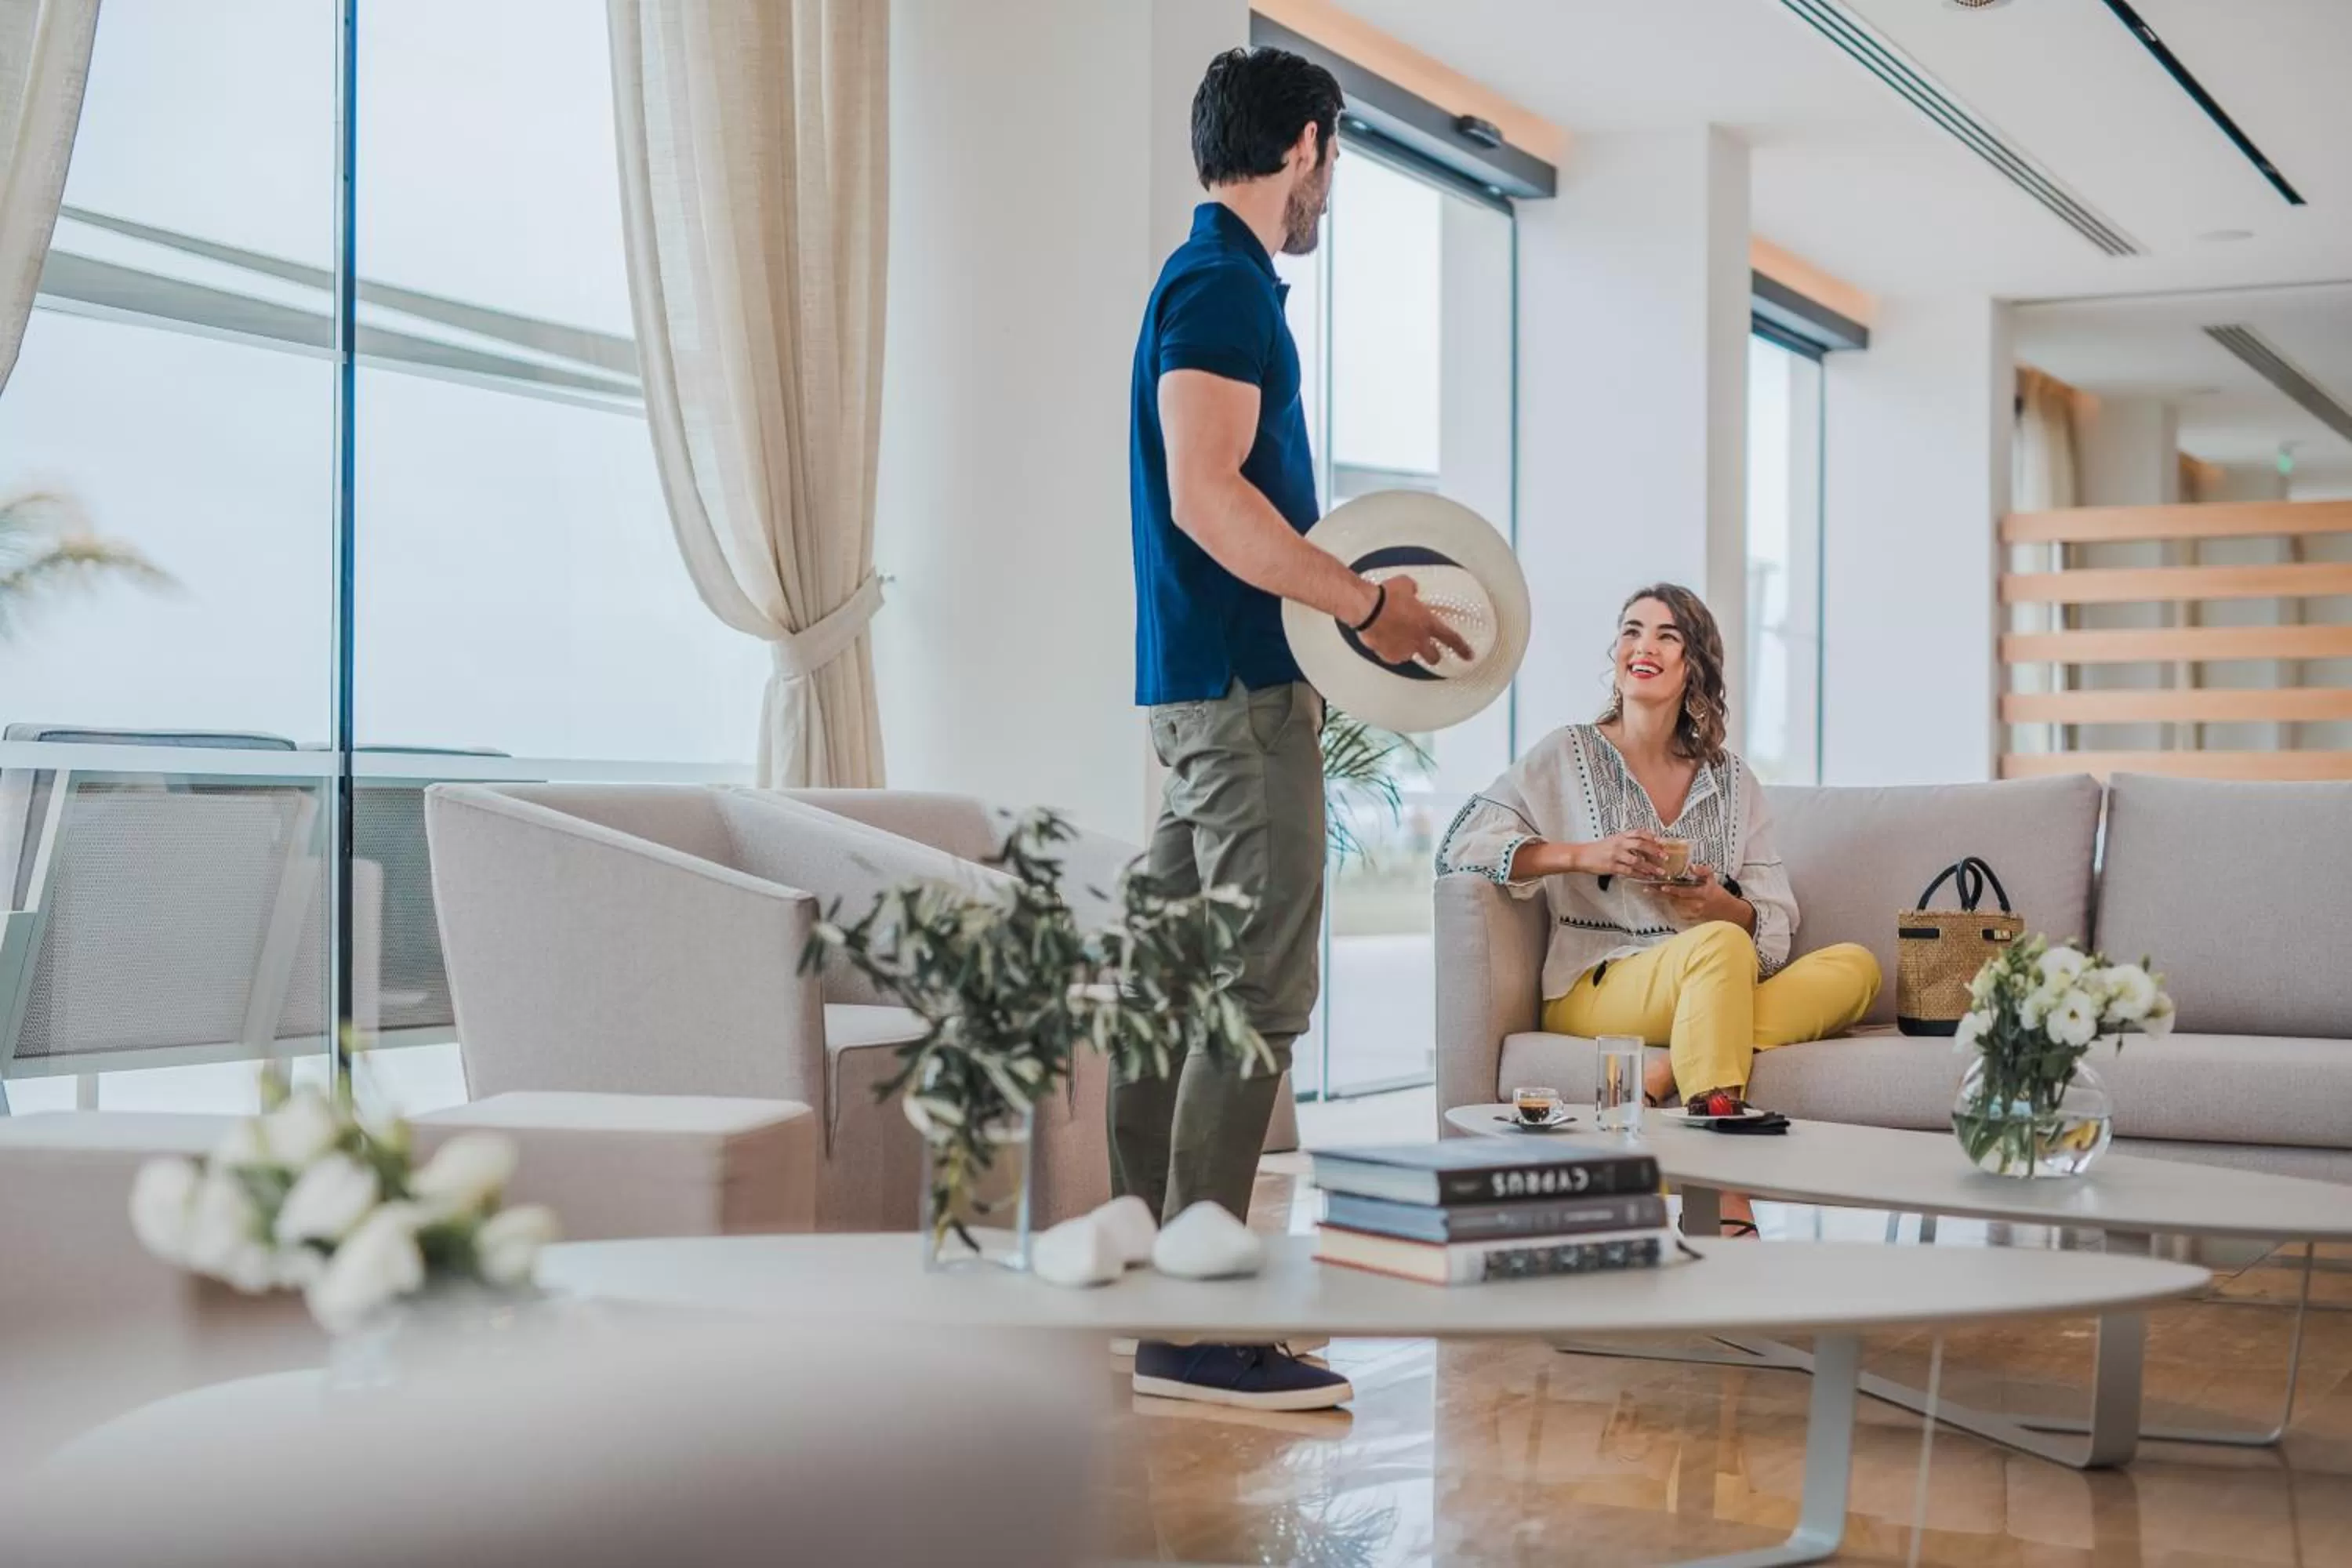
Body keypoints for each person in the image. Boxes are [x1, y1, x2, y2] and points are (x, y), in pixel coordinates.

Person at [1120, 45, 1472, 1411]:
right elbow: (1209, 495)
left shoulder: (1210, 279)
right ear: (1310, 146)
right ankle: (1197, 1328)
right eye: (1337, 165)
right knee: (1257, 985)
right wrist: (1368, 605)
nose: (1333, 192)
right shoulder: (1219, 284)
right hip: (1237, 695)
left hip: (1202, 689)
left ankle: (1154, 1282)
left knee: (1171, 977)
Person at [1436, 583, 1880, 1236]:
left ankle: (1668, 1066)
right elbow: (1460, 846)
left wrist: (1718, 903)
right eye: (1631, 631)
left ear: (1693, 664)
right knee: (1720, 947)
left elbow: (1773, 923)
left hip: (1706, 976)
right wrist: (1582, 855)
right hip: (1596, 984)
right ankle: (1722, 1190)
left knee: (1856, 966)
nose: (1643, 646)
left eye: (1666, 636)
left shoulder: (1732, 782)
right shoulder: (1568, 754)